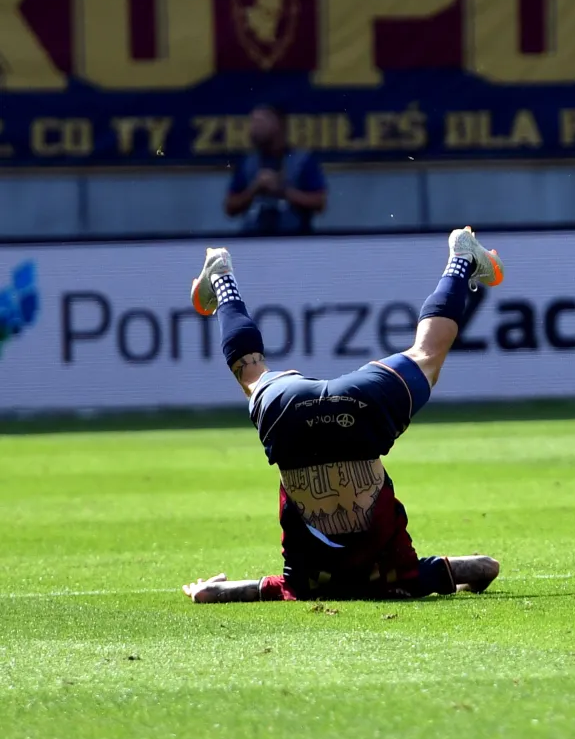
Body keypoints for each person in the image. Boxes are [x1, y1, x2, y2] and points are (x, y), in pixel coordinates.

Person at [179, 226, 505, 603]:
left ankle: (462, 259)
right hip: (292, 416)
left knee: (428, 353)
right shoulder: (303, 584)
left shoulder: (404, 575)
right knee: (250, 372)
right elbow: (232, 592)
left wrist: (443, 583)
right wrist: (209, 591)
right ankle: (222, 277)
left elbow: (484, 567)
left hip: (359, 410)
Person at [224, 105, 328, 236]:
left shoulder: (302, 160)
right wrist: (255, 189)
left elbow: (319, 202)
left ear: (277, 124)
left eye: (260, 122)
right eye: (253, 122)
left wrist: (282, 190)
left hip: (295, 242)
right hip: (252, 242)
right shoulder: (247, 162)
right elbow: (230, 207)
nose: (254, 128)